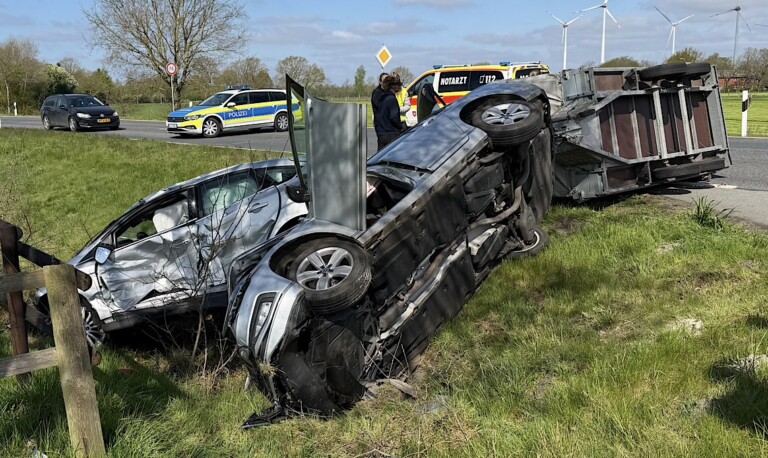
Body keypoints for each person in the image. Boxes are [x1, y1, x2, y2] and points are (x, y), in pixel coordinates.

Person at [374, 75, 403, 151]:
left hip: (382, 133)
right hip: (391, 134)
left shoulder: (381, 98)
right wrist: (401, 126)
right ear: (393, 86)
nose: (400, 87)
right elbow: (393, 117)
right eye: (398, 84)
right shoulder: (392, 99)